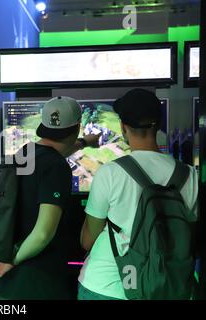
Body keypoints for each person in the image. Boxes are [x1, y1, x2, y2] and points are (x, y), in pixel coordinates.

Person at [78, 89, 198, 300]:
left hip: (107, 285)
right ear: (159, 125)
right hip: (167, 286)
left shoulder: (110, 172)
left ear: (124, 128)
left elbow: (88, 240)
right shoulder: (190, 175)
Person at [0, 96, 100, 299]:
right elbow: (43, 234)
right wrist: (10, 261)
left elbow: (53, 154)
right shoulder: (57, 167)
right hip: (38, 283)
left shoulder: (27, 151)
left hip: (10, 284)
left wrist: (83, 143)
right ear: (77, 127)